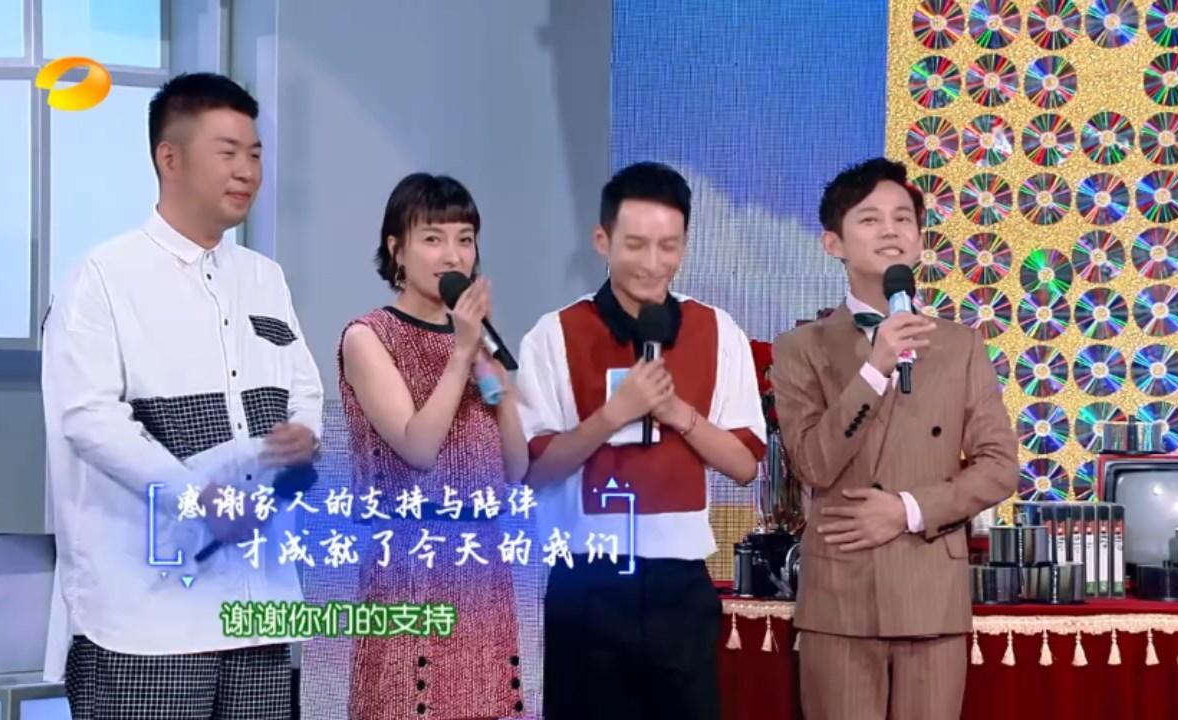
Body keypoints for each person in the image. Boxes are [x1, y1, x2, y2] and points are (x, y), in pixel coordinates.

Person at [41, 72, 324, 719]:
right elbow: (89, 419)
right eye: (228, 152)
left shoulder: (264, 277)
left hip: (259, 607)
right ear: (169, 158)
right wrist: (201, 499)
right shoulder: (103, 277)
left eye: (255, 153)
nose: (247, 171)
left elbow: (303, 387)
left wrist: (304, 434)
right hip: (147, 619)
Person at [517, 161, 767, 720]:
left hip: (681, 584)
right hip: (586, 582)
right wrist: (615, 414)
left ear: (684, 246)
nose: (653, 263)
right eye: (635, 245)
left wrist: (677, 413)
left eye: (668, 246)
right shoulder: (553, 335)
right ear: (602, 240)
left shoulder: (717, 330)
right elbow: (535, 471)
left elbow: (745, 464)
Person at [771, 157, 1018, 719]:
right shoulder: (800, 348)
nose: (890, 231)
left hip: (930, 591)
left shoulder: (960, 347)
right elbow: (812, 463)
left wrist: (907, 510)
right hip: (840, 598)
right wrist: (875, 367)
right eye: (869, 219)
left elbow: (999, 465)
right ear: (833, 243)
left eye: (903, 219)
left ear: (920, 241)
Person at [337, 173, 530, 720]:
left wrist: (498, 384)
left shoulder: (474, 339)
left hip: (481, 572)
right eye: (432, 238)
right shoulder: (368, 337)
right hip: (410, 574)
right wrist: (460, 355)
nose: (453, 254)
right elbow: (418, 449)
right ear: (396, 249)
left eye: (465, 239)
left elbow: (517, 469)